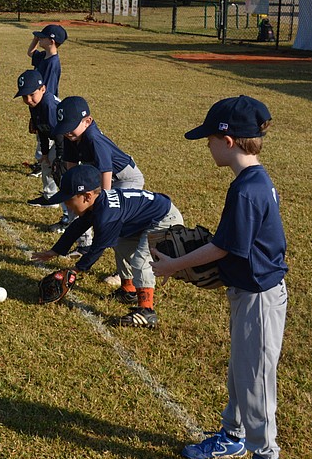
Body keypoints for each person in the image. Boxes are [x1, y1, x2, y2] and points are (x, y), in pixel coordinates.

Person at [151, 96, 288, 459]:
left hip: (260, 297)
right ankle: (234, 434)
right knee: (240, 372)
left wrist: (172, 266)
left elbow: (222, 249)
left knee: (256, 381)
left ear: (228, 141)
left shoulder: (248, 190)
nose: (207, 145)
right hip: (248, 291)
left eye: (210, 138)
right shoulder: (252, 182)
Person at [31, 164, 184, 328]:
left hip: (164, 220)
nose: (67, 205)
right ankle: (129, 290)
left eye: (69, 199)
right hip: (146, 220)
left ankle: (146, 312)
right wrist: (55, 251)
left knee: (141, 259)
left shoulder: (106, 216)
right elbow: (78, 226)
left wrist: (75, 270)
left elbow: (97, 248)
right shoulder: (97, 203)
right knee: (121, 245)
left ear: (87, 196)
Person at [51, 96, 145, 287]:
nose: (67, 132)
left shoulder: (93, 138)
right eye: (65, 127)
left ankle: (126, 274)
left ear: (88, 121)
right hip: (106, 180)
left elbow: (106, 171)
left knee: (116, 227)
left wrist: (106, 203)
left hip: (124, 179)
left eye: (71, 126)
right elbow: (72, 166)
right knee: (84, 211)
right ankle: (85, 246)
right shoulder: (72, 135)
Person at [14, 70, 70, 231]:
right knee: (45, 165)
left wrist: (60, 158)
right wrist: (45, 154)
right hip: (61, 140)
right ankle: (50, 198)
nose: (28, 99)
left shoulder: (48, 105)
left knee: (62, 177)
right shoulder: (35, 104)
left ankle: (68, 217)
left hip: (69, 141)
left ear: (43, 89)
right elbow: (43, 131)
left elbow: (60, 134)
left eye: (31, 94)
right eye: (24, 96)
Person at [25, 24, 67, 179]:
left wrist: (39, 109)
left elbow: (46, 90)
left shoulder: (52, 63)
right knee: (39, 134)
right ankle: (41, 161)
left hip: (46, 104)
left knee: (45, 133)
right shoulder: (44, 56)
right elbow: (30, 52)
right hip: (38, 102)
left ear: (52, 41)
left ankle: (43, 164)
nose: (39, 39)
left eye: (42, 37)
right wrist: (36, 37)